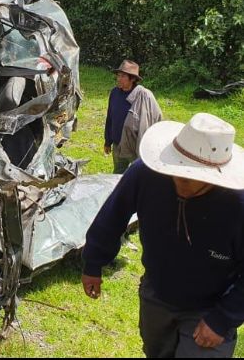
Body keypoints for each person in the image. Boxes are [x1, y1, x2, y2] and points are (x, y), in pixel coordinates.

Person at [82, 112, 244, 357]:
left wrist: (224, 318)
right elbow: (113, 214)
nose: (179, 178)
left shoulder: (238, 205)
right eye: (175, 168)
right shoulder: (145, 173)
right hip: (157, 292)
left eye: (192, 177)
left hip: (212, 303)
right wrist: (93, 262)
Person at [104, 59, 162, 173]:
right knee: (118, 174)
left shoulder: (145, 96)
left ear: (133, 79)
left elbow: (157, 118)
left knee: (140, 175)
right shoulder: (114, 93)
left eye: (123, 76)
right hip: (118, 144)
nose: (118, 79)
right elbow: (110, 117)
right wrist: (108, 141)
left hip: (135, 146)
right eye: (118, 75)